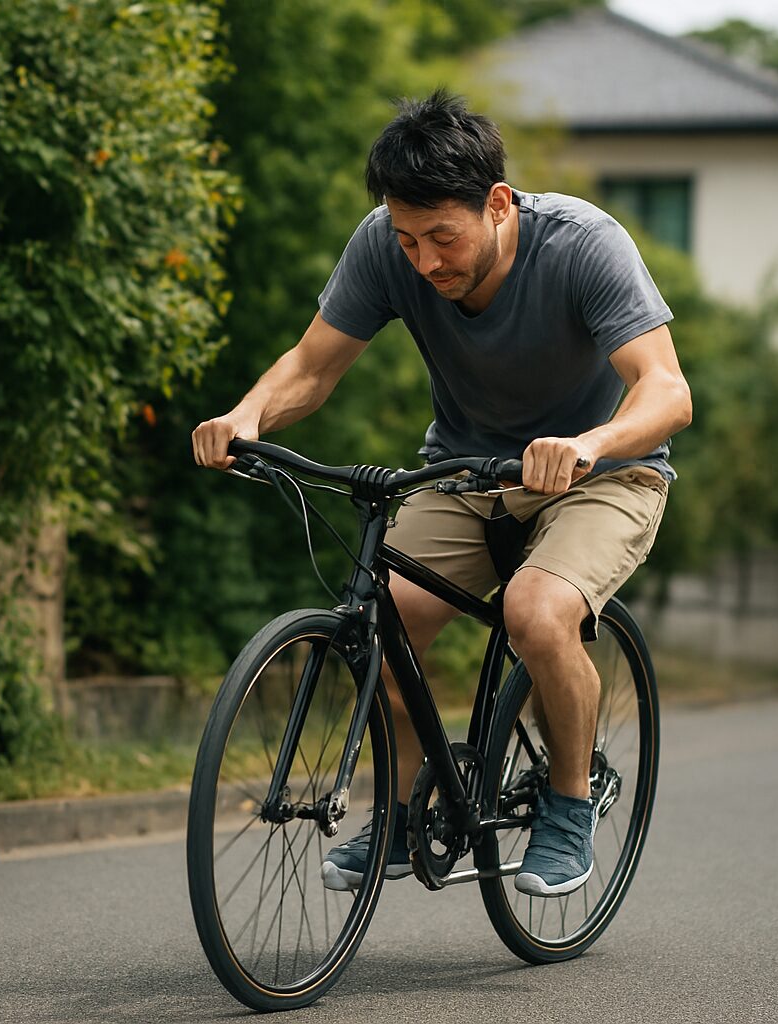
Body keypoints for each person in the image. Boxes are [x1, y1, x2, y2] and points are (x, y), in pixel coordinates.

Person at [192, 90, 691, 898]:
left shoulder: (583, 245)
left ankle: (569, 804)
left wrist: (588, 444)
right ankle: (403, 814)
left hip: (605, 472)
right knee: (381, 622)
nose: (424, 261)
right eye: (407, 238)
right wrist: (247, 414)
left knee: (536, 614)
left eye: (442, 238)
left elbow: (667, 391)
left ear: (497, 204)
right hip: (465, 473)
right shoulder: (385, 245)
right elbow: (313, 366)